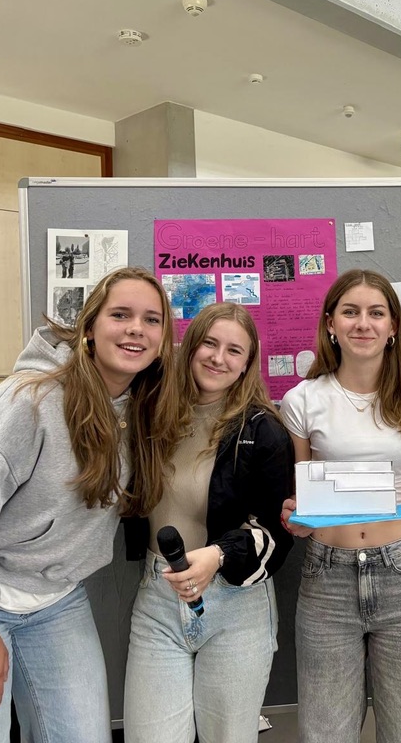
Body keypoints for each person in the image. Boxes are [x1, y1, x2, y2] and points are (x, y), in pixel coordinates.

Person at [0, 267, 181, 743]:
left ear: (163, 339)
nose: (136, 329)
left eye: (151, 319)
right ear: (89, 328)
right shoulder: (27, 402)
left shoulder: (139, 409)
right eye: (120, 315)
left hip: (56, 601)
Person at [280, 269, 401, 743]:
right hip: (326, 576)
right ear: (330, 323)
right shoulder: (302, 400)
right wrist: (294, 517)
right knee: (326, 731)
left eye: (376, 313)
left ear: (393, 327)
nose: (363, 323)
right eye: (350, 312)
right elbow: (301, 495)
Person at [124, 302, 295, 743]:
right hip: (159, 598)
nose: (219, 358)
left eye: (234, 351)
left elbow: (276, 533)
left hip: (236, 603)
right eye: (209, 343)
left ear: (247, 363)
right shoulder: (152, 411)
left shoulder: (264, 431)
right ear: (189, 346)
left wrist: (218, 556)